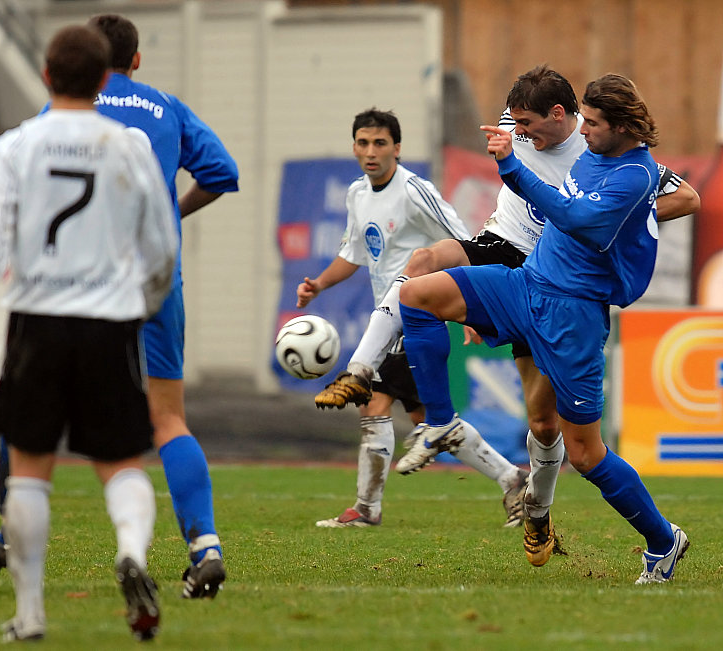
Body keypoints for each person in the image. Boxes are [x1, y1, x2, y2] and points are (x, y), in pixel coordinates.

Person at [319, 66, 698, 520]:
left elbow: (687, 198)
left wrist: (620, 216)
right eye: (513, 123)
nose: (517, 132)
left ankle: (536, 507)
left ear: (561, 115)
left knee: (547, 425)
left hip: (566, 289)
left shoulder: (613, 159)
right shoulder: (521, 121)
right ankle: (375, 379)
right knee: (419, 279)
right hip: (508, 255)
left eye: (526, 125)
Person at [0, 14, 239, 600]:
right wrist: (171, 213)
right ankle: (205, 546)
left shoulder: (51, 122)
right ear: (135, 60)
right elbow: (222, 172)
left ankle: (13, 536)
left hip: (73, 290)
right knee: (167, 418)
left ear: (57, 72)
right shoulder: (166, 108)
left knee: (29, 419)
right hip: (153, 282)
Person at [396, 72, 690, 583]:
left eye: (594, 123)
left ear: (620, 127)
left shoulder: (635, 177)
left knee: (584, 452)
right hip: (526, 284)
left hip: (573, 316)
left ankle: (664, 540)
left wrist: (511, 165)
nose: (585, 131)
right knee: (416, 293)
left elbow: (573, 215)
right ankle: (441, 422)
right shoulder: (595, 152)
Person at [0, 25, 177, 641]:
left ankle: (29, 614)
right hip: (109, 324)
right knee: (121, 462)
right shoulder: (130, 145)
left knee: (29, 469)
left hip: (38, 323)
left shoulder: (17, 147)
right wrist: (145, 302)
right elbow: (162, 245)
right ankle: (131, 550)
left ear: (48, 77)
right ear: (105, 78)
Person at [299, 108, 529, 529]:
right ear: (354, 147)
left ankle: (366, 509)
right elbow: (352, 253)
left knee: (374, 403)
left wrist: (471, 310)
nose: (371, 152)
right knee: (432, 421)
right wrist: (318, 286)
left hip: (414, 316)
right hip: (389, 321)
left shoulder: (413, 191)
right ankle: (512, 477)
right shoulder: (357, 195)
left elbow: (462, 239)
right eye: (364, 143)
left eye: (380, 143)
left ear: (397, 148)